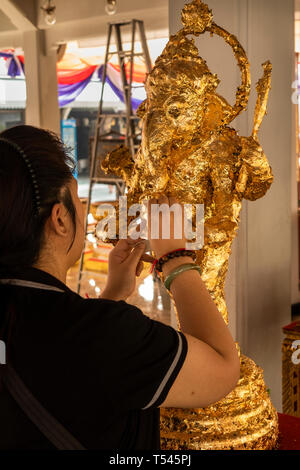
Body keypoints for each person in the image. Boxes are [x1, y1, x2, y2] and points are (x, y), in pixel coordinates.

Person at [0, 125, 240, 450]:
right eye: (78, 199)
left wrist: (110, 298)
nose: (84, 210)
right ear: (59, 219)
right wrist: (176, 260)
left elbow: (59, 366)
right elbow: (223, 369)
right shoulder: (104, 333)